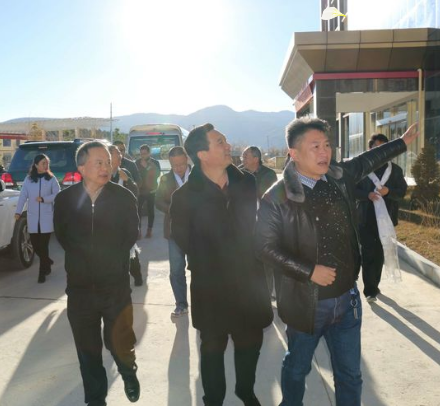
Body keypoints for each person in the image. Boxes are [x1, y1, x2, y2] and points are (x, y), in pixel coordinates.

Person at [255, 118, 419, 406]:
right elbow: (264, 247)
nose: (324, 152)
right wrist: (308, 271)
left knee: (350, 376)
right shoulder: (277, 196)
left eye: (327, 145)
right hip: (307, 304)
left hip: (347, 299)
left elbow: (368, 159)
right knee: (297, 368)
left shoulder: (339, 177)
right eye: (315, 146)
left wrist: (401, 143)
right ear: (293, 153)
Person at [170, 123, 273, 406]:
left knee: (250, 341)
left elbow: (254, 224)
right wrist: (214, 259)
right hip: (211, 285)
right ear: (202, 154)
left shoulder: (246, 183)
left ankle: (245, 391)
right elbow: (183, 239)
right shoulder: (184, 197)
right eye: (220, 142)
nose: (228, 146)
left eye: (226, 141)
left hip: (248, 281)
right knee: (213, 347)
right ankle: (213, 398)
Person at [53, 141, 140, 406]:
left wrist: (110, 259)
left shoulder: (123, 197)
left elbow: (131, 234)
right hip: (80, 289)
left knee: (119, 342)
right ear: (81, 167)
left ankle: (128, 371)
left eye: (108, 163)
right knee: (87, 350)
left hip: (115, 286)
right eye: (99, 163)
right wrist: (84, 259)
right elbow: (63, 236)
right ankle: (95, 399)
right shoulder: (65, 200)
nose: (106, 168)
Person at [355, 134, 408, 302]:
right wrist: (367, 195)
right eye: (377, 148)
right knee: (368, 252)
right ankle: (369, 290)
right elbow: (352, 191)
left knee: (379, 254)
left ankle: (374, 285)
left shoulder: (395, 170)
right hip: (365, 218)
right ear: (370, 149)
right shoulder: (361, 170)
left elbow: (402, 192)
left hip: (386, 219)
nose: (381, 152)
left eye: (384, 148)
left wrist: (389, 192)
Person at [155, 146, 191, 318]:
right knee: (176, 269)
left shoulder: (198, 176)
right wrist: (172, 209)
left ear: (187, 159)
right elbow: (158, 201)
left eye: (181, 164)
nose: (178, 168)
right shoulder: (166, 179)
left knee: (200, 269)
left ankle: (202, 302)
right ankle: (181, 304)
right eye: (174, 165)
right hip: (174, 230)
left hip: (198, 231)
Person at [240, 146, 280, 298]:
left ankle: (268, 294)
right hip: (245, 223)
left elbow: (267, 195)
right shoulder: (239, 173)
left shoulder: (268, 174)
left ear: (256, 159)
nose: (242, 159)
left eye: (245, 156)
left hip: (265, 223)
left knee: (266, 260)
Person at [15, 154, 60, 283]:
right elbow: (23, 196)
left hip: (46, 217)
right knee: (35, 245)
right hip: (33, 217)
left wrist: (44, 199)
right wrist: (18, 211)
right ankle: (47, 261)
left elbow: (57, 194)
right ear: (36, 165)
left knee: (43, 246)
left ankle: (42, 273)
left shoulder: (51, 179)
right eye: (43, 163)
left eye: (47, 163)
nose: (46, 166)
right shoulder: (29, 180)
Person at [109, 145, 144, 287]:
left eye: (120, 153)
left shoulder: (124, 172)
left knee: (130, 248)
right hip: (107, 220)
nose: (120, 156)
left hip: (124, 219)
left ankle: (137, 275)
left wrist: (128, 180)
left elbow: (135, 192)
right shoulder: (103, 174)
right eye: (117, 153)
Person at [136, 144, 161, 238]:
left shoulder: (155, 162)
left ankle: (149, 230)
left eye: (145, 153)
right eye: (141, 154)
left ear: (149, 153)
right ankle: (138, 230)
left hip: (151, 190)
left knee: (150, 210)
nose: (143, 156)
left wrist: (147, 166)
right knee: (138, 210)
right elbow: (135, 175)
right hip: (140, 191)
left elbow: (157, 174)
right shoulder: (137, 162)